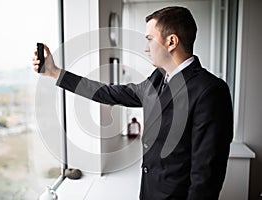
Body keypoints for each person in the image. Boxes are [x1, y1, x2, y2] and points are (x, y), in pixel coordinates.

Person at [32, 6, 233, 200]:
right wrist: (54, 72)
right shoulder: (159, 78)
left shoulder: (211, 91)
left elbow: (206, 175)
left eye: (149, 39)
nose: (146, 48)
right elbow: (109, 93)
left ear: (171, 42)